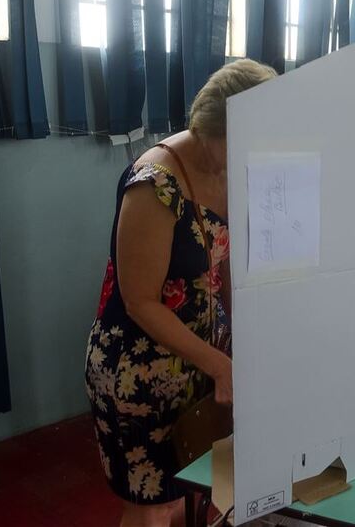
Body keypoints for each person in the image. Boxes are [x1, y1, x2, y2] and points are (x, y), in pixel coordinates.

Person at [84, 59, 277, 526]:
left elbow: (224, 262)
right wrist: (221, 365)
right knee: (153, 507)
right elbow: (139, 302)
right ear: (213, 127)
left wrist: (242, 338)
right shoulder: (154, 184)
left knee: (194, 493)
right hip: (140, 372)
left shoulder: (227, 168)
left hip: (202, 363)